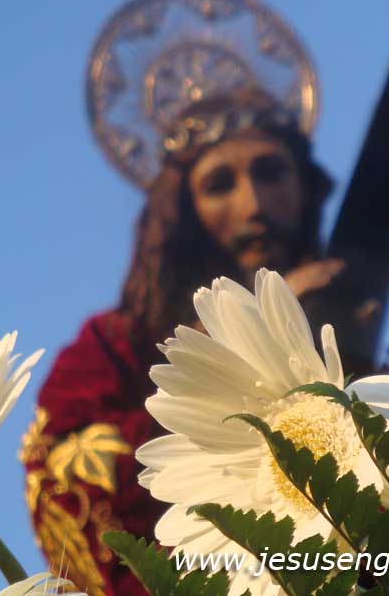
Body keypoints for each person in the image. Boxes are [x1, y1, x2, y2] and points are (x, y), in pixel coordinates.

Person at [19, 89, 346, 596]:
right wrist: (225, 348)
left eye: (271, 173)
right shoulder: (113, 346)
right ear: (184, 210)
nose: (254, 204)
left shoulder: (351, 335)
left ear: (304, 187)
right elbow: (64, 471)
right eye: (220, 184)